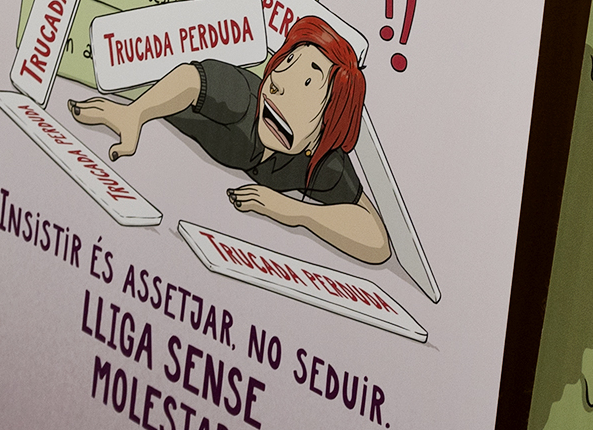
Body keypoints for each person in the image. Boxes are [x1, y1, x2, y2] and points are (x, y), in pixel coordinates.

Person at [70, 15, 389, 265]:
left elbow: (376, 240)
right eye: (287, 64)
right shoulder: (244, 98)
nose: (278, 84)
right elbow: (191, 79)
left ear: (326, 126)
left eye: (307, 83)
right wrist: (136, 113)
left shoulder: (321, 160)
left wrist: (295, 212)